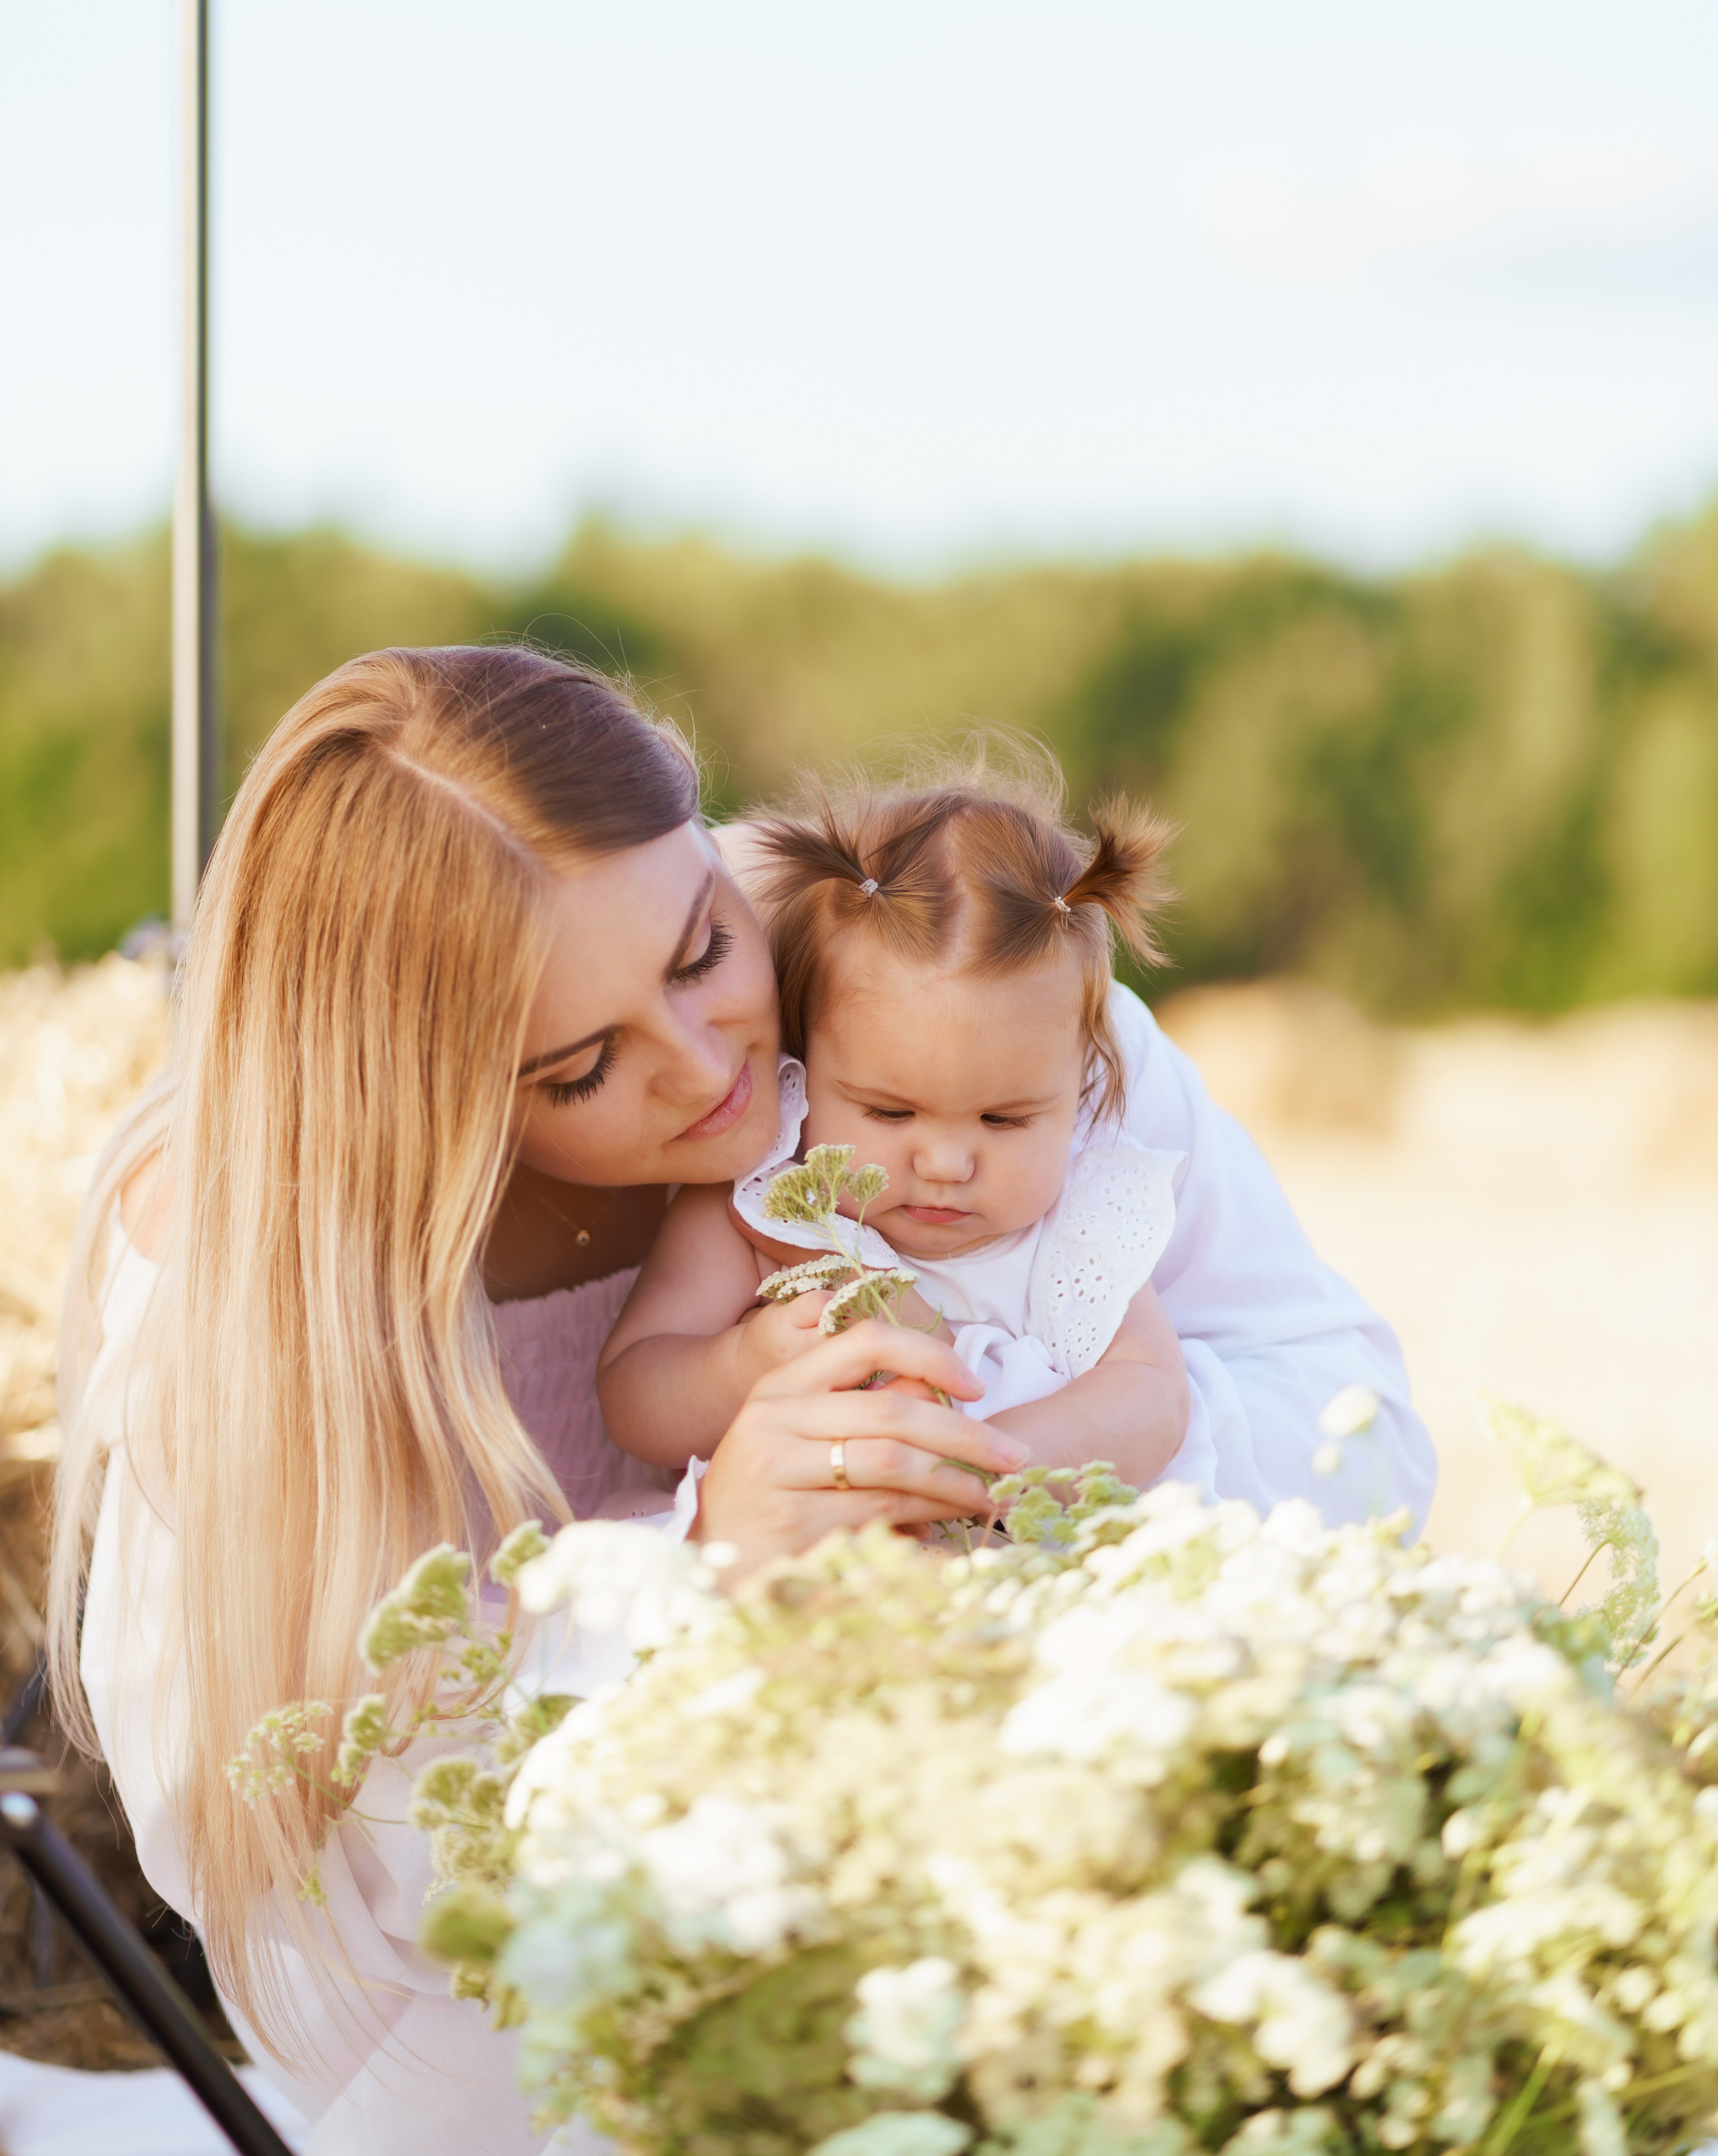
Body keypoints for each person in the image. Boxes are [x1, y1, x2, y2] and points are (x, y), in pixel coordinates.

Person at [48, 646, 1434, 2156]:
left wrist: (1005, 1473)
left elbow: (1358, 1431)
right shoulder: (259, 1266)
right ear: (427, 1098)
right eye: (582, 1067)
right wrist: (710, 1582)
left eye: (701, 949)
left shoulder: (953, 988)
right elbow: (328, 1867)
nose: (712, 1069)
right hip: (540, 2024)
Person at [597, 775, 1193, 1492]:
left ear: (1080, 1089)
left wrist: (976, 1467)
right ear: (804, 1066)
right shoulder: (762, 1204)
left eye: (1004, 1119)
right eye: (889, 1112)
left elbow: (1152, 1400)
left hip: (1016, 1537)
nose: (944, 1163)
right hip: (805, 1550)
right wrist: (743, 1364)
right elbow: (632, 1395)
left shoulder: (1081, 1220)